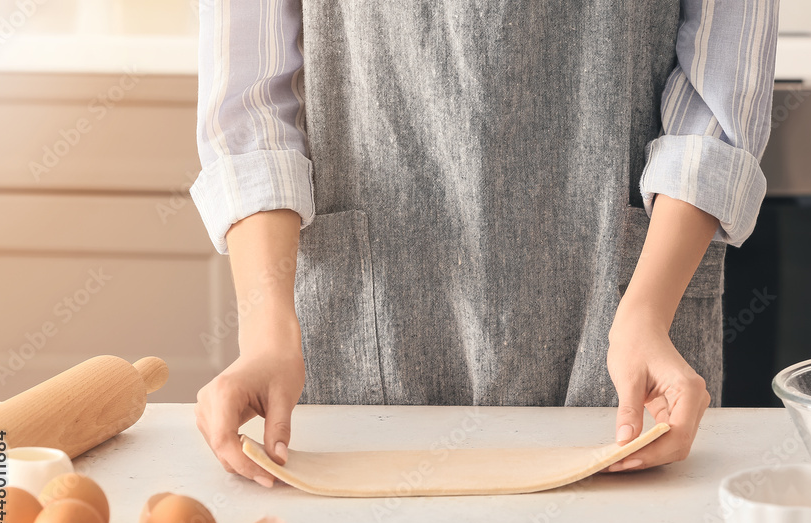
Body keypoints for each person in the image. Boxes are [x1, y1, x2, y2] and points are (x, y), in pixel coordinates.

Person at [191, 0, 779, 487]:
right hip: (361, 334)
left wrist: (647, 312)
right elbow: (252, 107)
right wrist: (267, 330)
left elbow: (715, 101)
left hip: (634, 319)